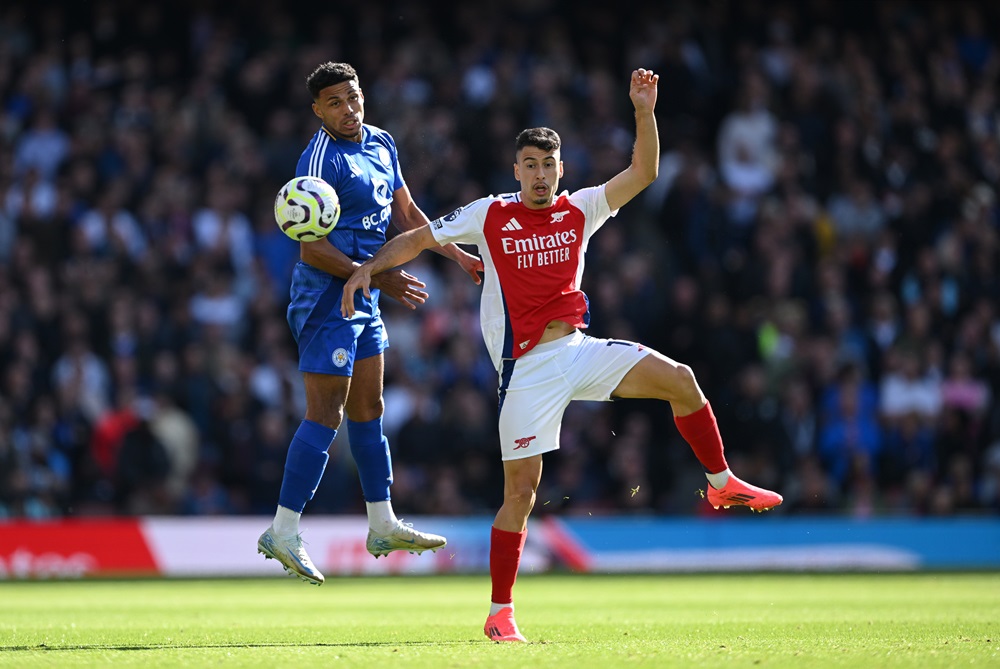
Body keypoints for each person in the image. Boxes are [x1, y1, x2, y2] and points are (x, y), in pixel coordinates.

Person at [340, 69, 782, 639]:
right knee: (520, 495)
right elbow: (420, 239)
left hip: (577, 349)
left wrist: (644, 111)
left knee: (681, 379)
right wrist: (366, 271)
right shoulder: (490, 214)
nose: (540, 174)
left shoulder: (580, 210)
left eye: (549, 165)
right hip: (524, 372)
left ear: (561, 170)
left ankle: (720, 480)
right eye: (530, 164)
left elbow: (644, 172)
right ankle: (500, 614)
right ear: (516, 169)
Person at [257, 62, 484, 586]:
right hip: (325, 298)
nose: (348, 108)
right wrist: (380, 278)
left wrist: (456, 256)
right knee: (325, 413)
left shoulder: (382, 142)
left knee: (370, 408)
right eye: (334, 102)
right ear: (317, 110)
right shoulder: (317, 159)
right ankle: (283, 529)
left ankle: (381, 523)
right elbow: (311, 247)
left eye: (353, 96)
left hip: (365, 290)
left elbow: (407, 214)